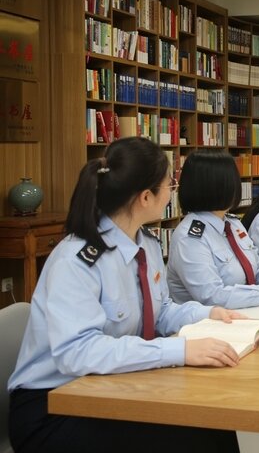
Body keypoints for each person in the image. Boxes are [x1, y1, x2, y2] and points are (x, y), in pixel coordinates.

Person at [8, 137, 241, 453]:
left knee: (215, 422)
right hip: (54, 406)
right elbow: (78, 351)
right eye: (169, 185)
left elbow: (160, 311)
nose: (172, 192)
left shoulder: (146, 244)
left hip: (109, 385)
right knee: (191, 438)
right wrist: (179, 350)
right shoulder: (77, 259)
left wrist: (209, 314)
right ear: (146, 197)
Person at [167, 149, 259, 309]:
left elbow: (258, 269)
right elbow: (213, 296)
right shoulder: (190, 238)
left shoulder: (232, 223)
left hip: (249, 311)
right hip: (213, 321)